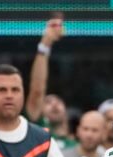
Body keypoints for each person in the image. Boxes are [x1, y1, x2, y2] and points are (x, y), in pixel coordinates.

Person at [25, 17, 77, 150]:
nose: (54, 104)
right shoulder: (38, 132)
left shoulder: (79, 145)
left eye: (58, 101)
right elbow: (38, 89)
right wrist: (45, 45)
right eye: (47, 102)